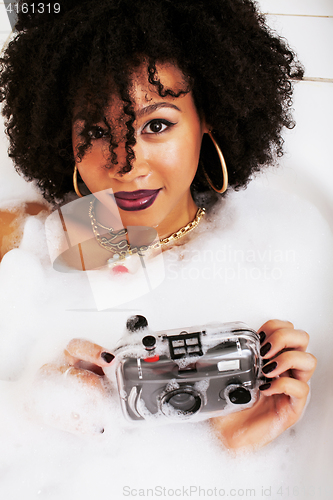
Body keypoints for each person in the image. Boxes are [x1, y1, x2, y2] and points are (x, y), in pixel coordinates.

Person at [0, 0, 317, 451]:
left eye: (157, 124)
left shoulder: (280, 251)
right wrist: (32, 404)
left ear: (209, 117)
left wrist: (235, 443)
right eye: (95, 132)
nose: (126, 165)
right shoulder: (21, 241)